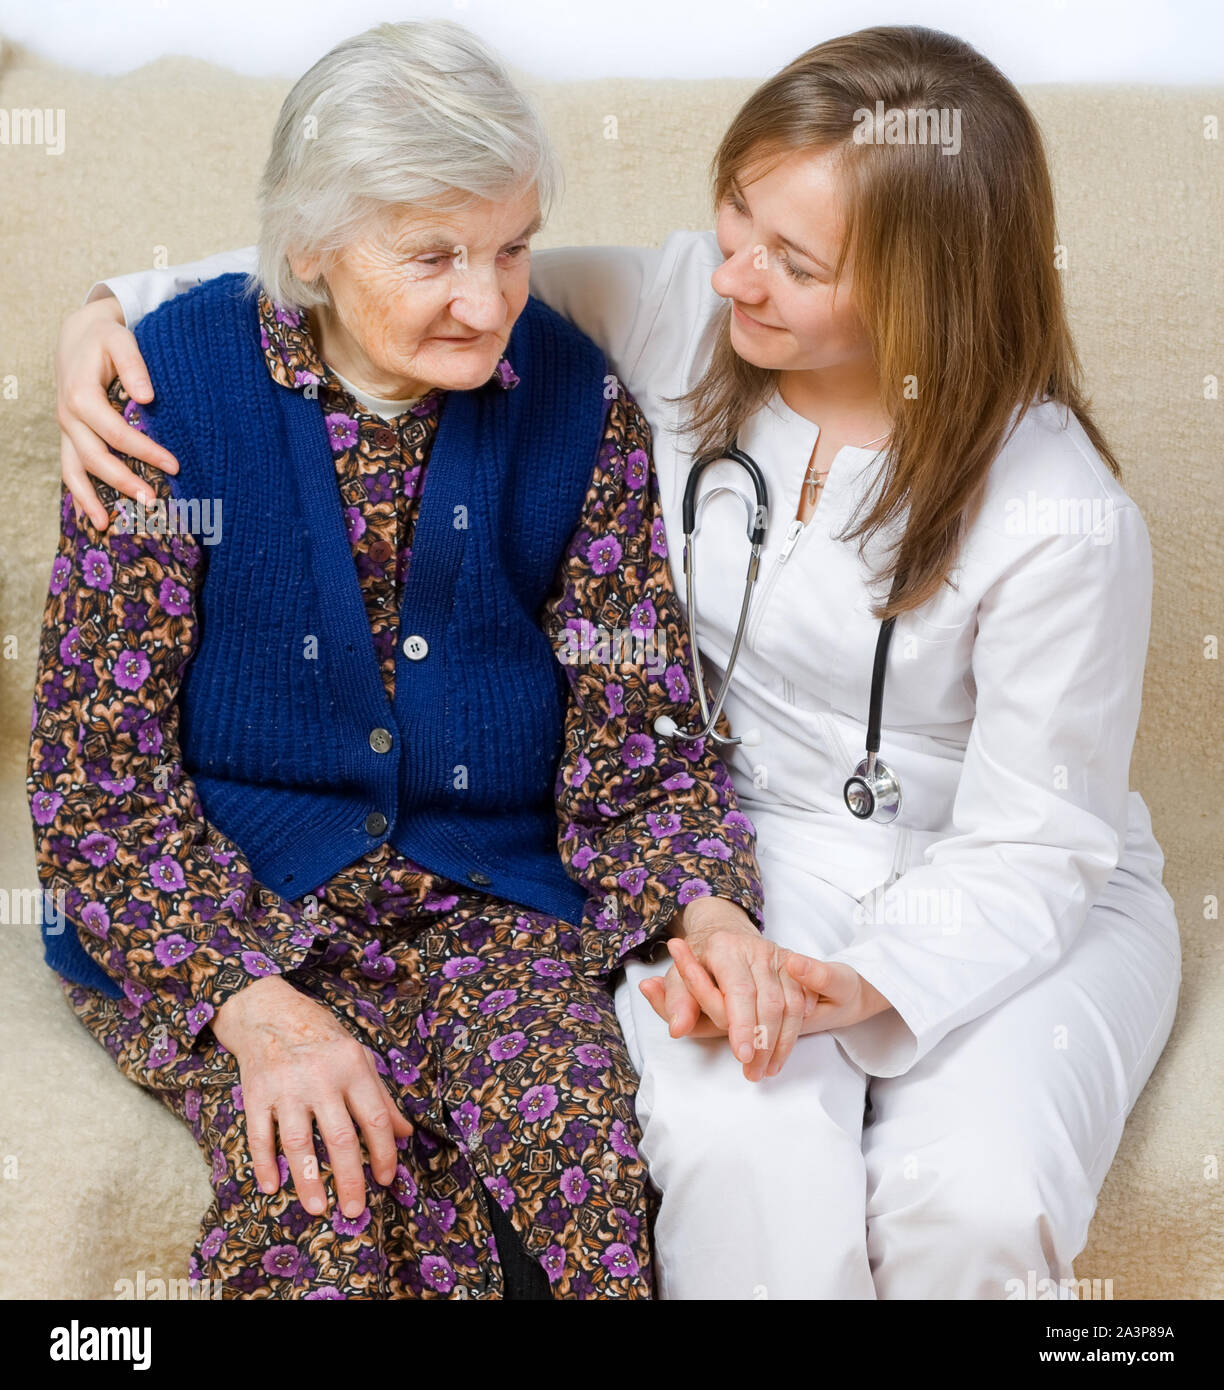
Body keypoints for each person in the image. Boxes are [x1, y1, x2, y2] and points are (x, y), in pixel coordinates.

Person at [50, 25, 1181, 1300]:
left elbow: (1025, 838)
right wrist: (111, 308)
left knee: (970, 1205)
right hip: (749, 854)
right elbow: (363, 244)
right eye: (736, 219)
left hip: (977, 876)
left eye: (793, 263)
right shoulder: (676, 306)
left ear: (926, 291)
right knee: (732, 1151)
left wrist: (828, 967)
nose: (736, 274)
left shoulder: (1057, 515)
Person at [26, 19, 770, 1301]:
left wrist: (705, 903)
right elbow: (97, 777)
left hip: (487, 899)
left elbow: (632, 720)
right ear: (311, 248)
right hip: (238, 902)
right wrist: (249, 1004)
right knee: (329, 1197)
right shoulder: (169, 401)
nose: (489, 302)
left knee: (571, 1165)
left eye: (515, 247)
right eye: (433, 255)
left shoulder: (572, 400)